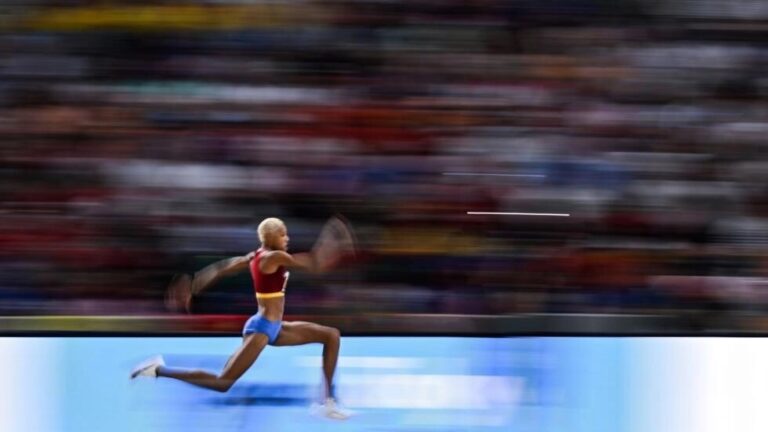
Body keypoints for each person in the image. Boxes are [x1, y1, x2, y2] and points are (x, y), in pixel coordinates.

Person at [131, 216, 356, 420]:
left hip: (274, 327)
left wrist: (195, 284)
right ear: (272, 237)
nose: (287, 238)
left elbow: (223, 267)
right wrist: (333, 238)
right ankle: (158, 369)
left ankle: (327, 402)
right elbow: (316, 263)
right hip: (262, 329)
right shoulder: (273, 257)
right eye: (283, 234)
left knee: (331, 335)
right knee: (223, 383)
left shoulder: (255, 256)